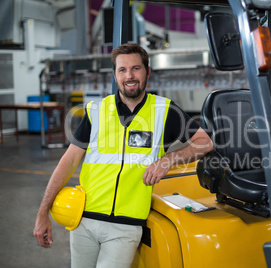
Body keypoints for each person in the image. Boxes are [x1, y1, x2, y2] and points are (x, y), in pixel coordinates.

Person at [33, 43, 214, 268]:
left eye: (136, 68)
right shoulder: (95, 111)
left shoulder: (165, 111)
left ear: (148, 72)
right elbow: (68, 161)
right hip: (84, 221)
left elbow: (205, 142)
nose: (129, 76)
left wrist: (168, 160)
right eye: (122, 70)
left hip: (125, 227)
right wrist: (43, 212)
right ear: (115, 75)